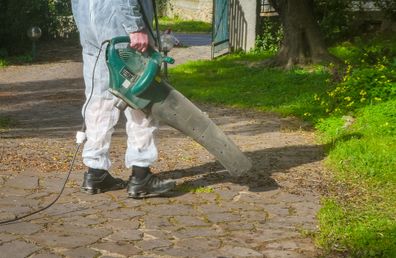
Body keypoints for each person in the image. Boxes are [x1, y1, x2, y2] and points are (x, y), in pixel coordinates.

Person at [71, 0, 176, 198]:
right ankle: (140, 176)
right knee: (140, 96)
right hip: (119, 23)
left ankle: (95, 172)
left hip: (90, 22)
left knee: (99, 97)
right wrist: (135, 26)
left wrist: (83, 22)